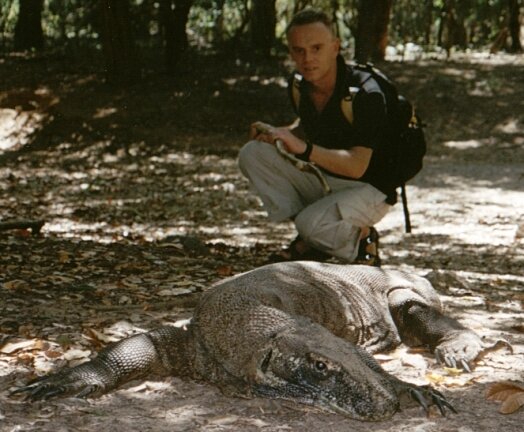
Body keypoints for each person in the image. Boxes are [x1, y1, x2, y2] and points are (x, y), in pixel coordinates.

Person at [238, 9, 398, 266]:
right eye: (298, 50)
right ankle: (312, 237)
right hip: (326, 177)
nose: (307, 58)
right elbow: (309, 128)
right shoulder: (300, 85)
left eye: (316, 48)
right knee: (252, 153)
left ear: (335, 47)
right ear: (290, 52)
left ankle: (360, 238)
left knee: (310, 224)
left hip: (370, 188)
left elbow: (357, 165)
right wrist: (279, 134)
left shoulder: (366, 93)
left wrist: (302, 147)